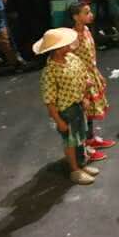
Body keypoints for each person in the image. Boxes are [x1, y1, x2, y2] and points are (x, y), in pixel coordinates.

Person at [37, 27, 101, 185]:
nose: (69, 46)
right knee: (70, 141)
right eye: (65, 45)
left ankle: (81, 163)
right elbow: (49, 101)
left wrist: (85, 96)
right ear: (57, 50)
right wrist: (59, 121)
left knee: (81, 137)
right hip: (66, 110)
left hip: (78, 105)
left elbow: (82, 75)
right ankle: (74, 169)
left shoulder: (72, 58)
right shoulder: (50, 72)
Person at [70, 2, 116, 160]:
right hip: (82, 79)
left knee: (90, 112)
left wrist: (97, 72)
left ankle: (91, 139)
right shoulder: (73, 37)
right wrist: (84, 79)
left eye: (90, 11)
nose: (91, 15)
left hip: (92, 73)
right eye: (86, 12)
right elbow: (72, 61)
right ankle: (86, 148)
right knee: (84, 111)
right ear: (76, 17)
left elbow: (92, 53)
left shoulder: (87, 30)